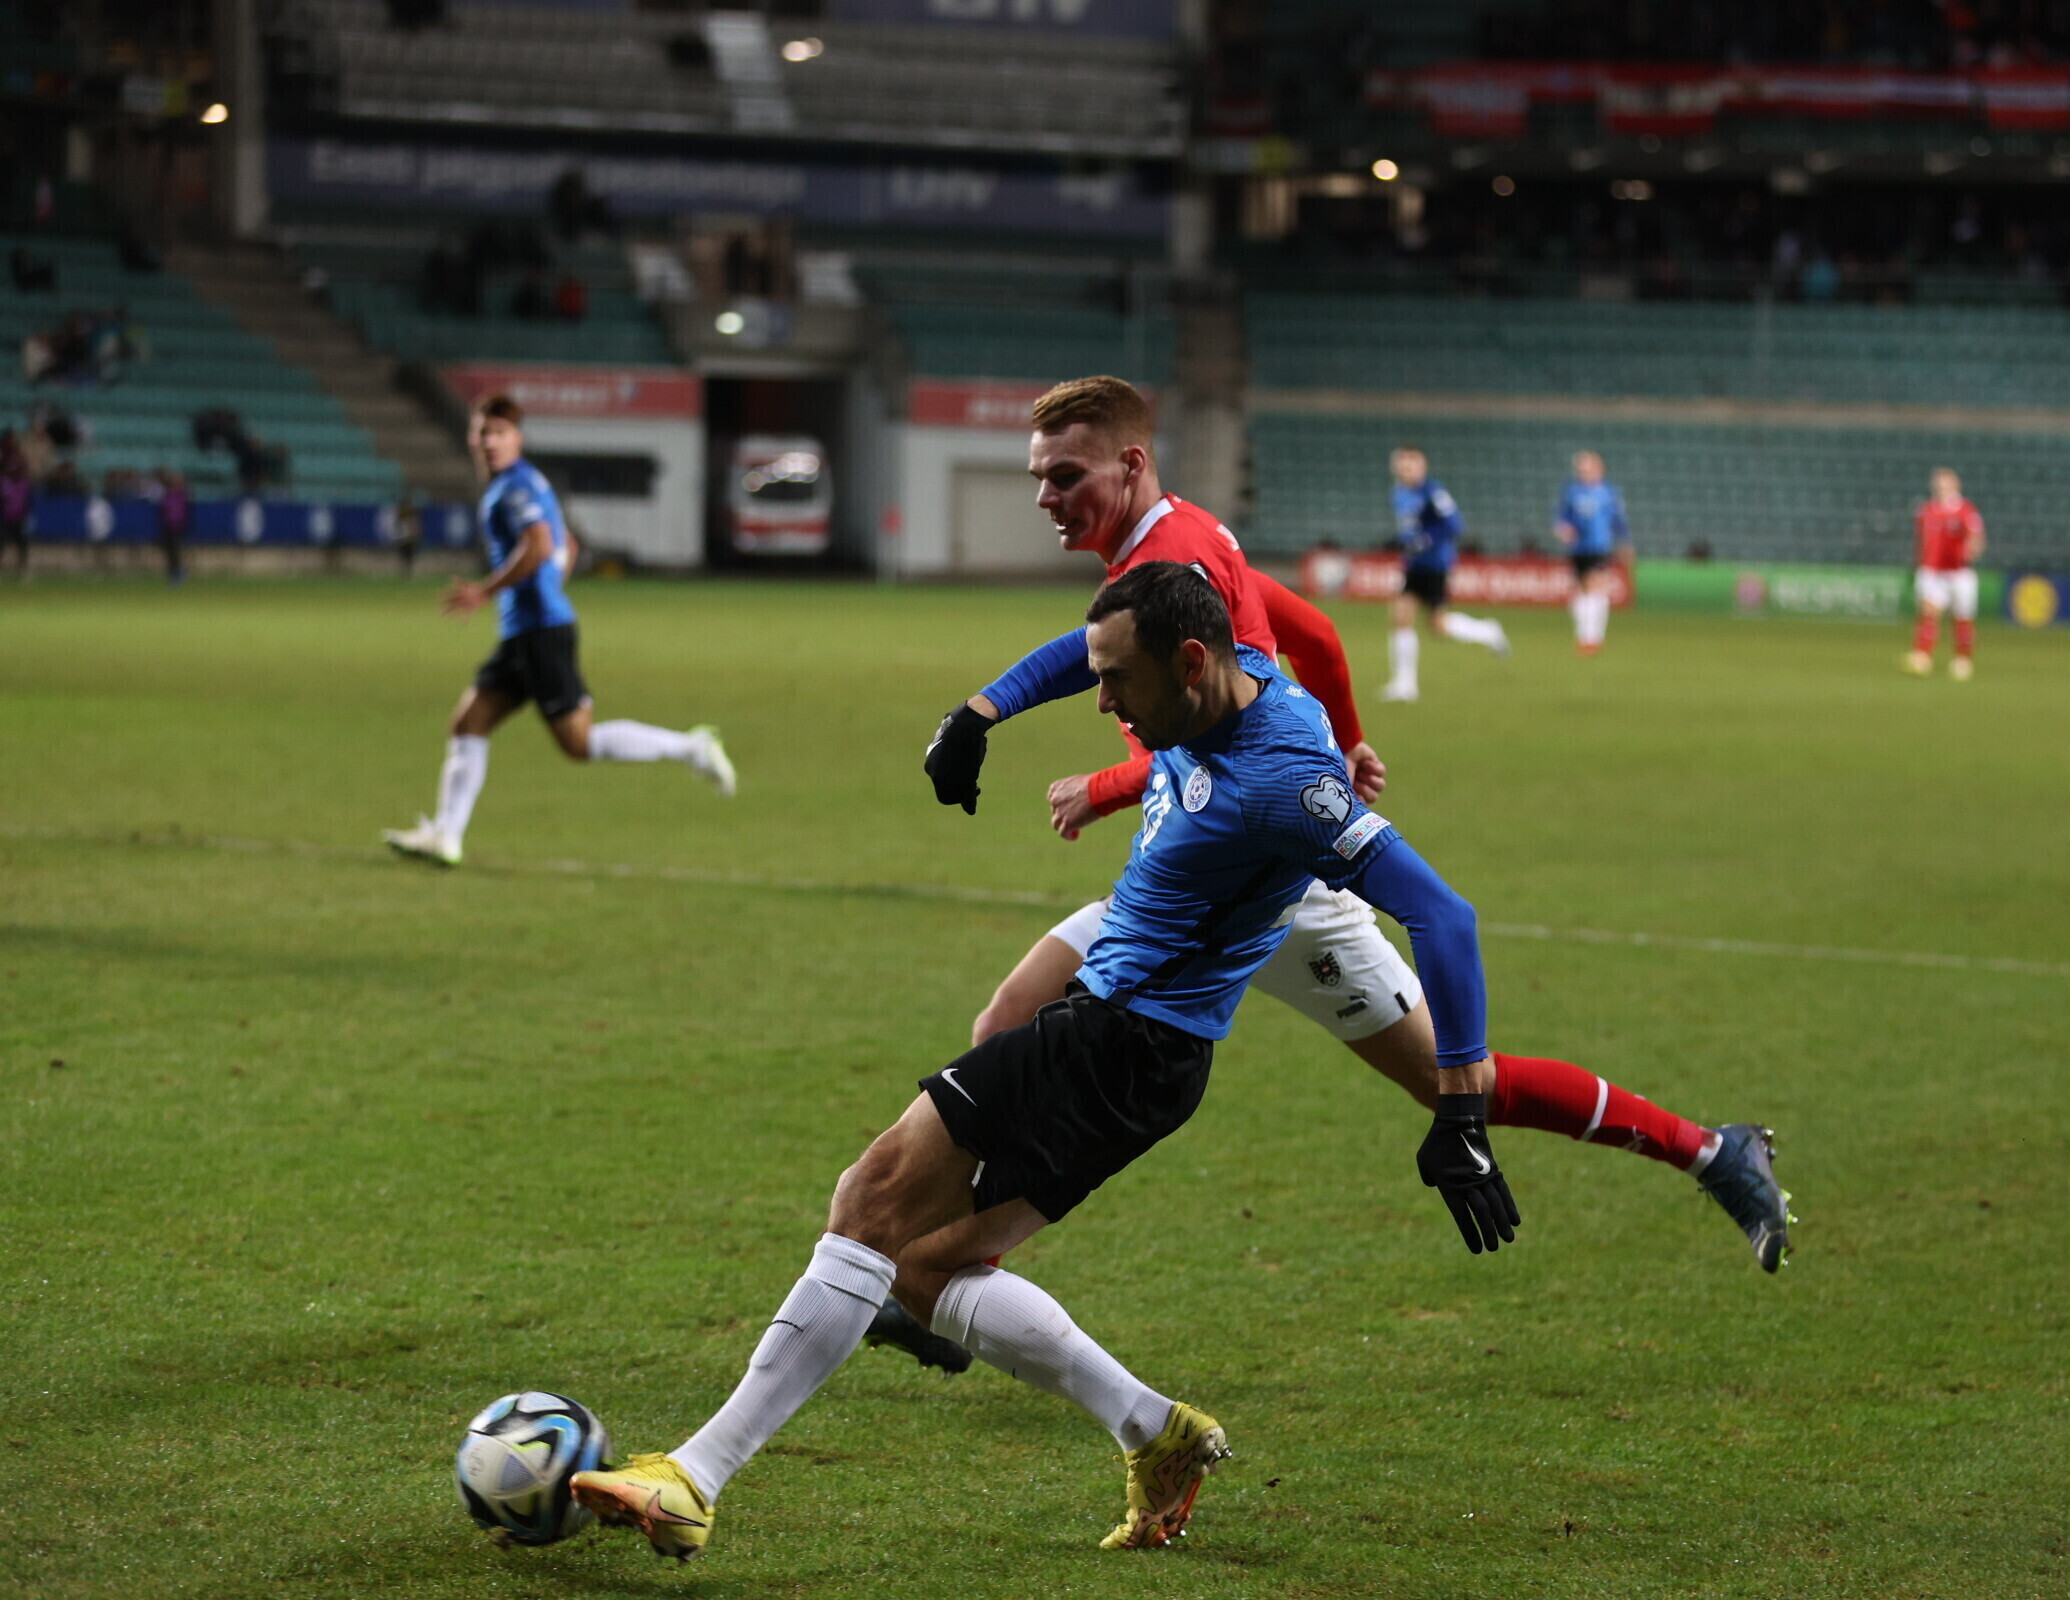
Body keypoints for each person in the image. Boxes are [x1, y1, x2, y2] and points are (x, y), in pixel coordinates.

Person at [571, 563, 1527, 1562]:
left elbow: (1444, 915)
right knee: (925, 1267)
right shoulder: (1231, 665)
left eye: (1119, 681)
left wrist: (1460, 1110)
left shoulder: (1286, 782)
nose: (1103, 701)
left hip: (1118, 1037)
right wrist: (982, 712)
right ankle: (1155, 1430)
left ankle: (694, 1477)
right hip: (1144, 1049)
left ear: (1189, 663)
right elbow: (1093, 647)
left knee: (873, 1197)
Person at [867, 377, 1788, 1371]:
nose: (1047, 496)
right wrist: (1340, 745)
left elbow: (1229, 761)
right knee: (1010, 1023)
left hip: (1276, 889)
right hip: (1189, 879)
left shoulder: (1177, 562)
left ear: (1130, 465)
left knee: (1461, 1083)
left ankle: (1712, 1150)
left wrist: (1112, 779)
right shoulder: (1182, 546)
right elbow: (1312, 638)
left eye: (1065, 475)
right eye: (1039, 477)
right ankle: (951, 1286)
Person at [381, 394, 736, 868]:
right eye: (483, 433)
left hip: (540, 633)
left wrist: (486, 592)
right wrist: (547, 585)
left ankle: (692, 749)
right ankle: (445, 836)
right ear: (471, 438)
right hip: (527, 631)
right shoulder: (525, 482)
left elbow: (539, 546)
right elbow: (566, 542)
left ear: (517, 438)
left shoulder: (513, 487)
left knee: (579, 743)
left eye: (499, 433)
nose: (490, 442)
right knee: (469, 724)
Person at [1383, 447, 1508, 701]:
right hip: (1415, 565)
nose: (1407, 469)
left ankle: (1487, 631)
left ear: (1422, 466)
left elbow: (1454, 524)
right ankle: (1405, 684)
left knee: (1438, 625)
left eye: (1412, 464)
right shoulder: (1399, 493)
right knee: (1401, 616)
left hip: (1435, 565)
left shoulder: (1433, 491)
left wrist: (1427, 539)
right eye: (1402, 464)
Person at [1905, 466, 1984, 680]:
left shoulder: (1965, 510)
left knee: (1962, 617)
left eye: (1944, 482)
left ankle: (1963, 659)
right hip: (1932, 570)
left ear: (1955, 484)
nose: (1940, 487)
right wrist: (1918, 562)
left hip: (1959, 572)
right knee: (1928, 612)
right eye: (1937, 483)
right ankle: (1922, 656)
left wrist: (1971, 550)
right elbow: (1921, 540)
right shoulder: (1926, 510)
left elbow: (1976, 536)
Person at [1553, 450, 1630, 655]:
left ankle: (1594, 637)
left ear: (1598, 468)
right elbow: (1562, 518)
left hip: (1600, 546)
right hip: (1578, 548)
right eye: (1580, 469)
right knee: (1580, 591)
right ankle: (1583, 635)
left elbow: (1619, 521)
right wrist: (1563, 529)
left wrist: (1625, 543)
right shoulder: (1571, 491)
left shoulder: (1609, 493)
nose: (1583, 472)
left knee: (1596, 586)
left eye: (1587, 468)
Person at [0, 431, 29, 580]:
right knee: (2, 543)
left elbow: (27, 501)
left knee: (22, 544)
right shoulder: (4, 482)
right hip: (5, 518)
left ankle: (23, 568)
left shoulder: (24, 483)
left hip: (19, 518)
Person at [156, 467, 188, 586]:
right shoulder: (168, 495)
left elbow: (182, 512)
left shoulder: (181, 496)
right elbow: (165, 510)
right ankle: (174, 572)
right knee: (170, 551)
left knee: (175, 550)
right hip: (168, 526)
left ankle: (178, 572)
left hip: (177, 527)